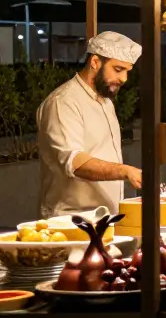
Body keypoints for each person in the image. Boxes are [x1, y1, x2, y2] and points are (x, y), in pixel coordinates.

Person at [37, 31, 143, 218]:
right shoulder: (64, 102)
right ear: (95, 62)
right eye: (118, 70)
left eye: (128, 71)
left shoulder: (106, 101)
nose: (124, 79)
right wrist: (125, 171)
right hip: (72, 221)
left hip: (105, 218)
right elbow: (75, 162)